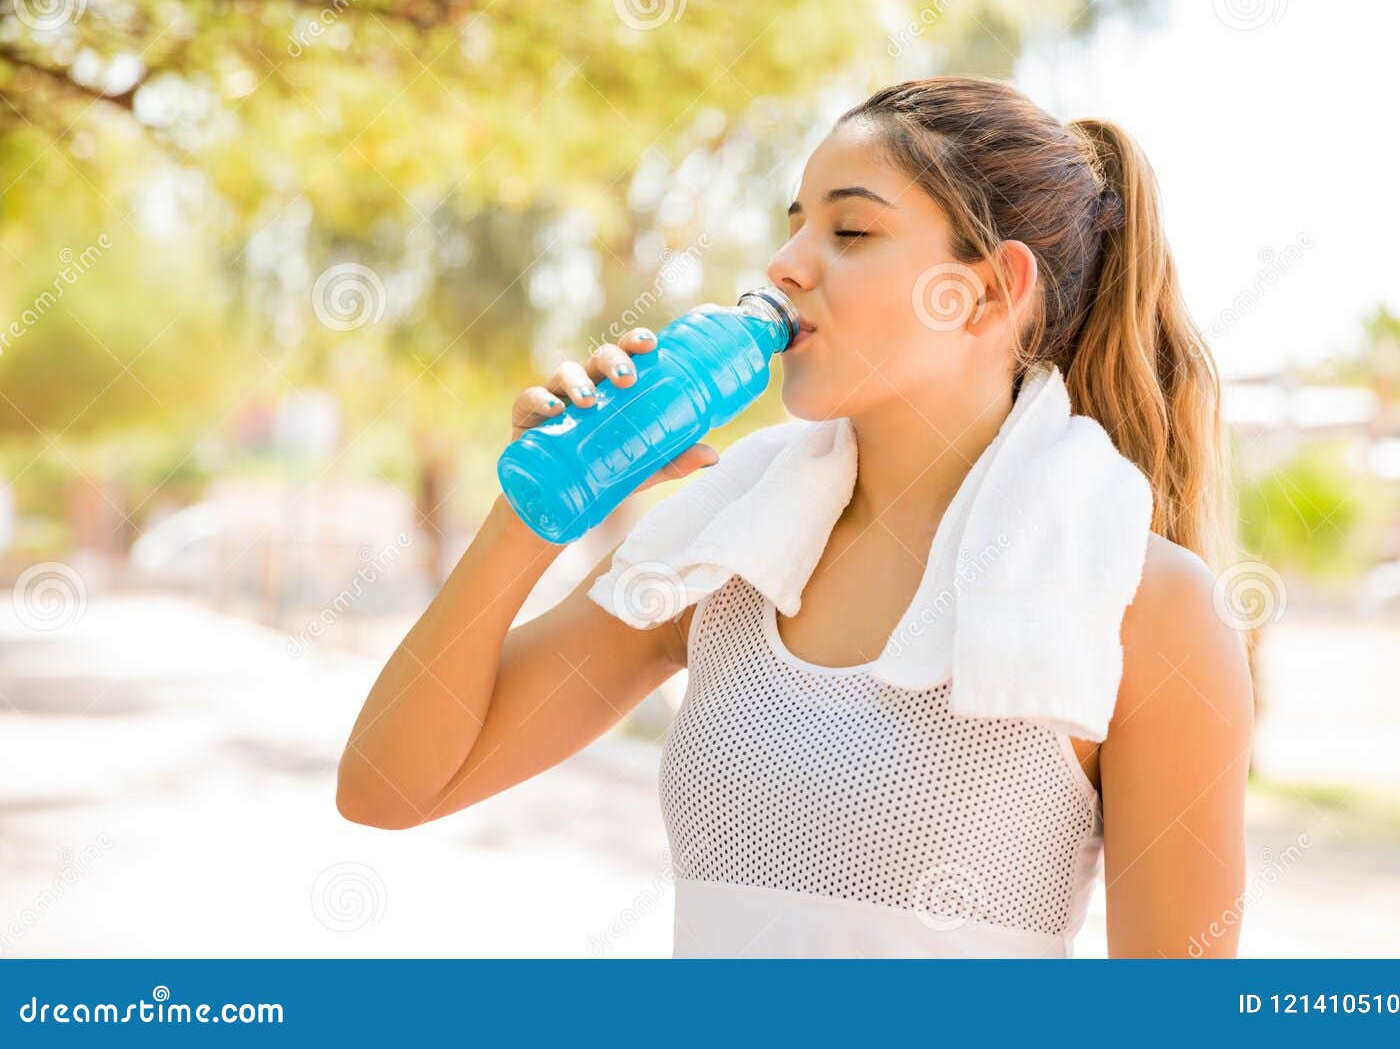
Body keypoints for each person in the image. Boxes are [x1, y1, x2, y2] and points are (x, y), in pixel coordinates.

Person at [336, 75, 1253, 958]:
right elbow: (386, 788)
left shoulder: (1146, 606)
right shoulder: (724, 552)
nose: (785, 264)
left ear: (988, 288)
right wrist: (543, 502)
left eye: (850, 229)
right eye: (795, 225)